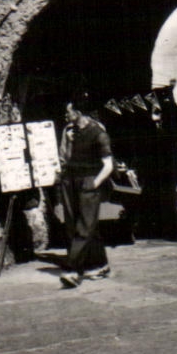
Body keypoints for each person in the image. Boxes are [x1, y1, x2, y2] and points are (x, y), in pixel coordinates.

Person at [57, 102, 113, 287]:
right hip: (70, 180)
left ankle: (72, 269)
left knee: (85, 226)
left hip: (87, 181)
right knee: (78, 224)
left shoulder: (98, 133)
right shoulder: (69, 131)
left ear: (78, 112)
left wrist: (94, 183)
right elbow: (64, 156)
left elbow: (108, 165)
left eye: (68, 111)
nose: (66, 115)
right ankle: (100, 265)